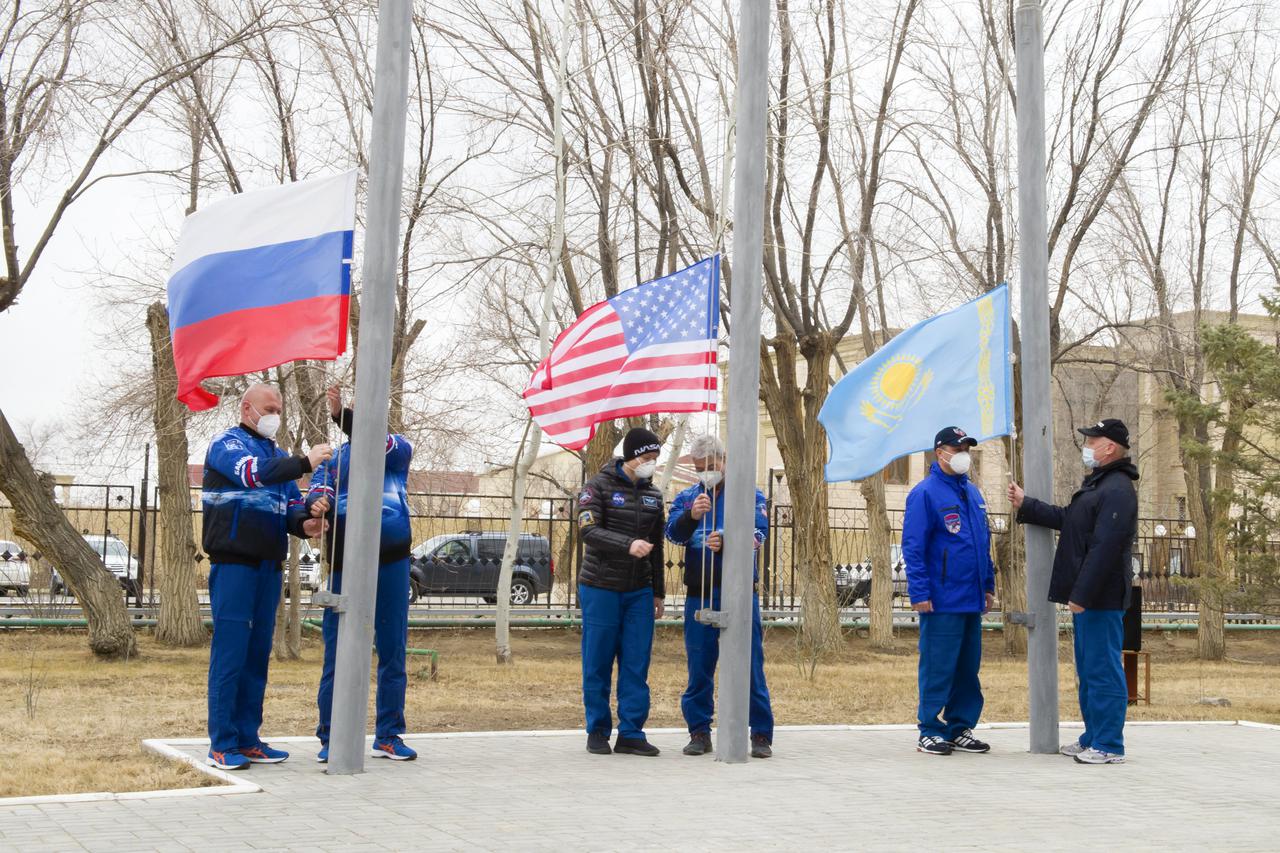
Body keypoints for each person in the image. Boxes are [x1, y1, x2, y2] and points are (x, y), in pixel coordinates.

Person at [203, 383, 330, 771]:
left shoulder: (275, 455)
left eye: (279, 407)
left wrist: (307, 519)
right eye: (269, 407)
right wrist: (305, 462)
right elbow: (250, 476)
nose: (275, 414)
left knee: (257, 656)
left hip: (267, 567)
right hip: (234, 565)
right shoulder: (226, 446)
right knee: (231, 655)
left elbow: (290, 505)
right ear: (247, 409)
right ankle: (222, 743)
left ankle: (248, 737)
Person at [1009, 418, 1139, 765]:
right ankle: (1092, 737)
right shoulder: (1099, 485)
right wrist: (1028, 504)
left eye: (1092, 440)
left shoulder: (1118, 489)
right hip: (1089, 597)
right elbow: (1071, 520)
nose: (1087, 446)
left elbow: (1105, 548)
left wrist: (1081, 594)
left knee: (1103, 669)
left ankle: (1110, 744)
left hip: (1101, 597)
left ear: (1109, 446)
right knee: (1088, 670)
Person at [307, 385, 416, 763]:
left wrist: (343, 415)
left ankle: (388, 734)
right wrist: (316, 501)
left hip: (392, 562)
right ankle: (330, 737)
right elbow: (317, 488)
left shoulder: (396, 449)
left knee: (392, 651)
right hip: (346, 564)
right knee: (337, 652)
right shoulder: (336, 459)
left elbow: (376, 439)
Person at [665, 434, 774, 759]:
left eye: (711, 467)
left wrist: (729, 541)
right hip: (700, 594)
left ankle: (760, 734)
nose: (706, 473)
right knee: (699, 665)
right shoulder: (687, 497)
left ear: (724, 461)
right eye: (700, 468)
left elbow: (759, 533)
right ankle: (699, 731)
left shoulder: (748, 495)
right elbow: (672, 533)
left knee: (750, 664)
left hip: (739, 594)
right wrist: (691, 517)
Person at [902, 427, 996, 756]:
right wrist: (919, 591)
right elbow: (913, 548)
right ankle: (929, 728)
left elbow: (982, 544)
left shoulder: (973, 493)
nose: (963, 453)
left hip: (971, 598)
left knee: (967, 667)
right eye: (957, 447)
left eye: (967, 448)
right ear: (940, 451)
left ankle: (960, 726)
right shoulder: (924, 494)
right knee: (938, 665)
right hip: (941, 599)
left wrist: (988, 585)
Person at [576, 427, 667, 756]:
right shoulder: (596, 487)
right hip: (601, 587)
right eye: (646, 458)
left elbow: (656, 549)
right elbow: (588, 530)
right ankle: (597, 730)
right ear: (630, 457)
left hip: (639, 592)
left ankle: (631, 732)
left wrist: (658, 592)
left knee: (636, 664)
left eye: (655, 459)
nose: (650, 464)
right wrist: (628, 544)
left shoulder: (654, 495)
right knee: (597, 661)